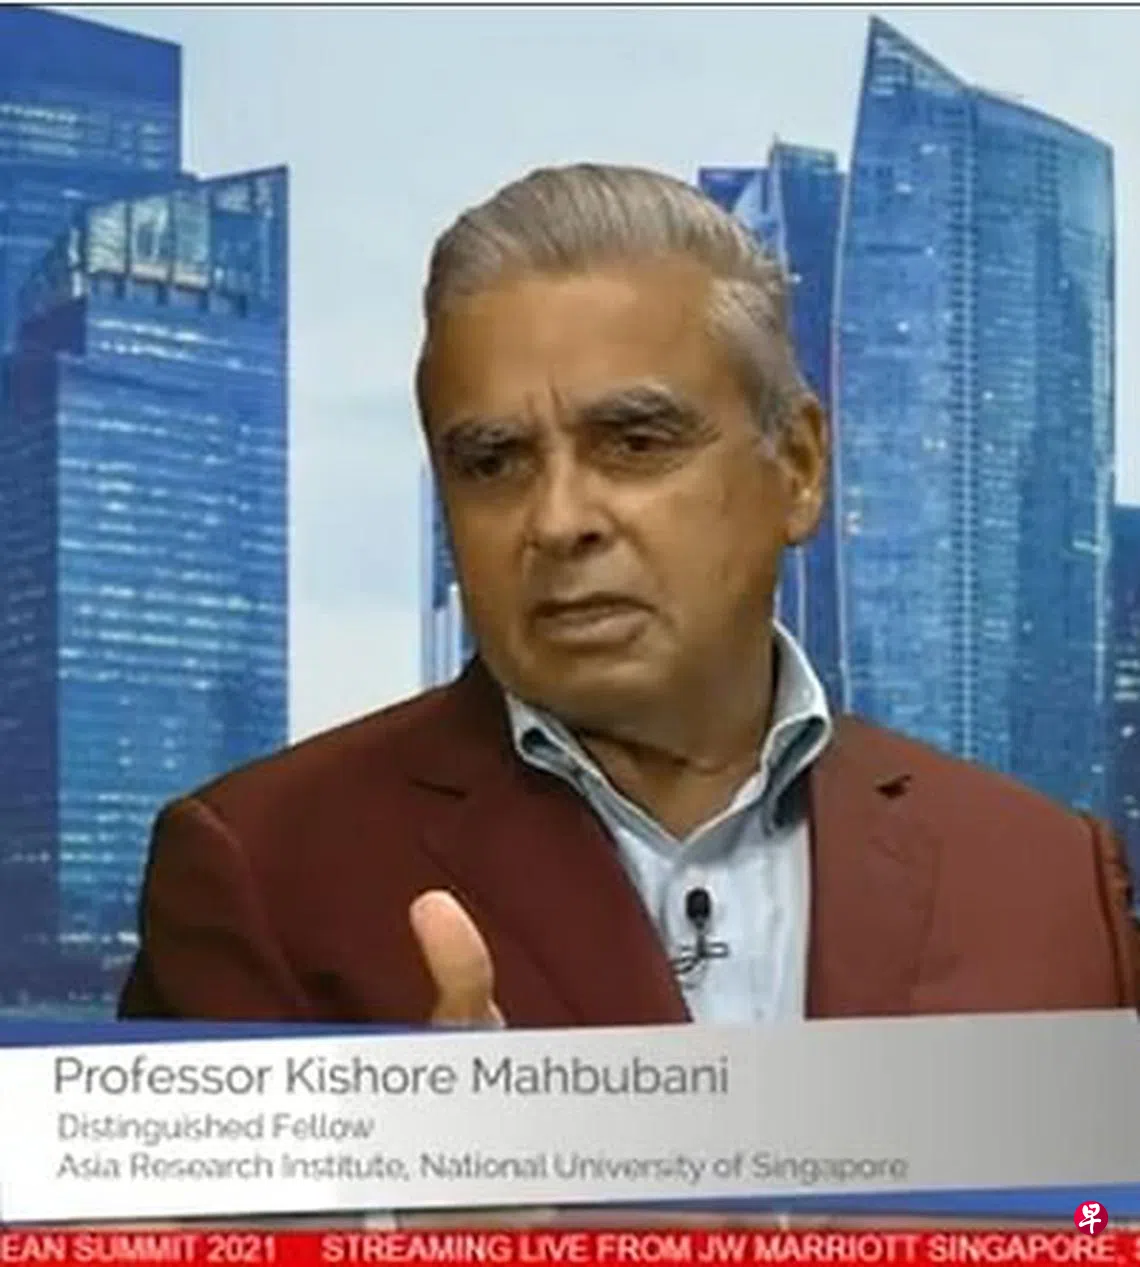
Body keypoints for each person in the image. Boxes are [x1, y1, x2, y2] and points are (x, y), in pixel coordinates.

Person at [119, 163, 1140, 1027]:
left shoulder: (1045, 876)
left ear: (798, 466)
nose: (560, 519)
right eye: (492, 462)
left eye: (636, 442)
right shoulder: (262, 873)